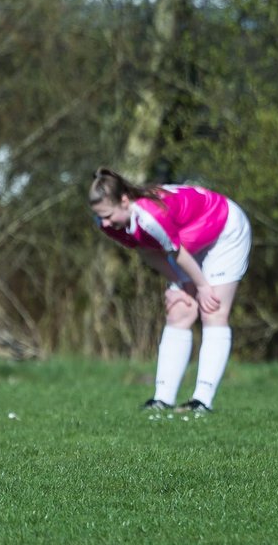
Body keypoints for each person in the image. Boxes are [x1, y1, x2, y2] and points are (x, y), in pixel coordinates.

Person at [89, 168, 252, 414]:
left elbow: (175, 251)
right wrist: (179, 283)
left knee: (213, 310)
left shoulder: (149, 215)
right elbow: (146, 250)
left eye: (109, 215)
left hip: (223, 228)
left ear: (124, 200)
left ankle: (202, 401)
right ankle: (162, 399)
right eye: (100, 217)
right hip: (188, 240)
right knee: (180, 310)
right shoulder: (109, 224)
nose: (105, 223)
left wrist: (202, 287)